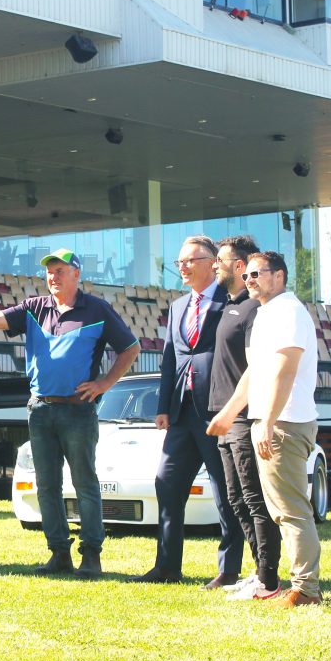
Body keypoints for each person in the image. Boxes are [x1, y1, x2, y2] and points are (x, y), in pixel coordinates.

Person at [0, 248, 140, 579]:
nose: (52, 276)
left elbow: (131, 349)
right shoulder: (34, 307)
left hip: (78, 411)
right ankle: (59, 553)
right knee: (46, 486)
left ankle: (91, 555)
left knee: (84, 483)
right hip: (41, 410)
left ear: (76, 274)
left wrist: (103, 383)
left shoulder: (98, 310)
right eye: (49, 271)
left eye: (60, 271)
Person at [208, 251, 322, 607]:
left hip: (285, 420)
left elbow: (285, 369)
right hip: (273, 419)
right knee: (279, 508)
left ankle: (305, 589)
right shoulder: (269, 313)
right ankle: (301, 585)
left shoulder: (287, 310)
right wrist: (229, 413)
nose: (250, 279)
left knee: (290, 509)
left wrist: (268, 421)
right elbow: (255, 371)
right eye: (248, 275)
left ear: (280, 276)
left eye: (258, 273)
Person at [132, 236, 242, 586]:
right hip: (180, 413)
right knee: (167, 484)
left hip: (217, 410)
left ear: (212, 262)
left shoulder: (231, 301)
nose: (181, 266)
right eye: (178, 261)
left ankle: (228, 570)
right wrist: (163, 406)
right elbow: (170, 358)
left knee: (225, 493)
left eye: (189, 260)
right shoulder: (178, 306)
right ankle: (167, 566)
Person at [208, 236, 284, 600]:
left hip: (244, 416)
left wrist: (236, 411)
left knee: (254, 498)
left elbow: (258, 367)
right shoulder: (229, 306)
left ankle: (269, 579)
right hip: (226, 418)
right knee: (236, 499)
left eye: (220, 260)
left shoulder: (255, 310)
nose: (215, 266)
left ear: (239, 266)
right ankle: (259, 573)